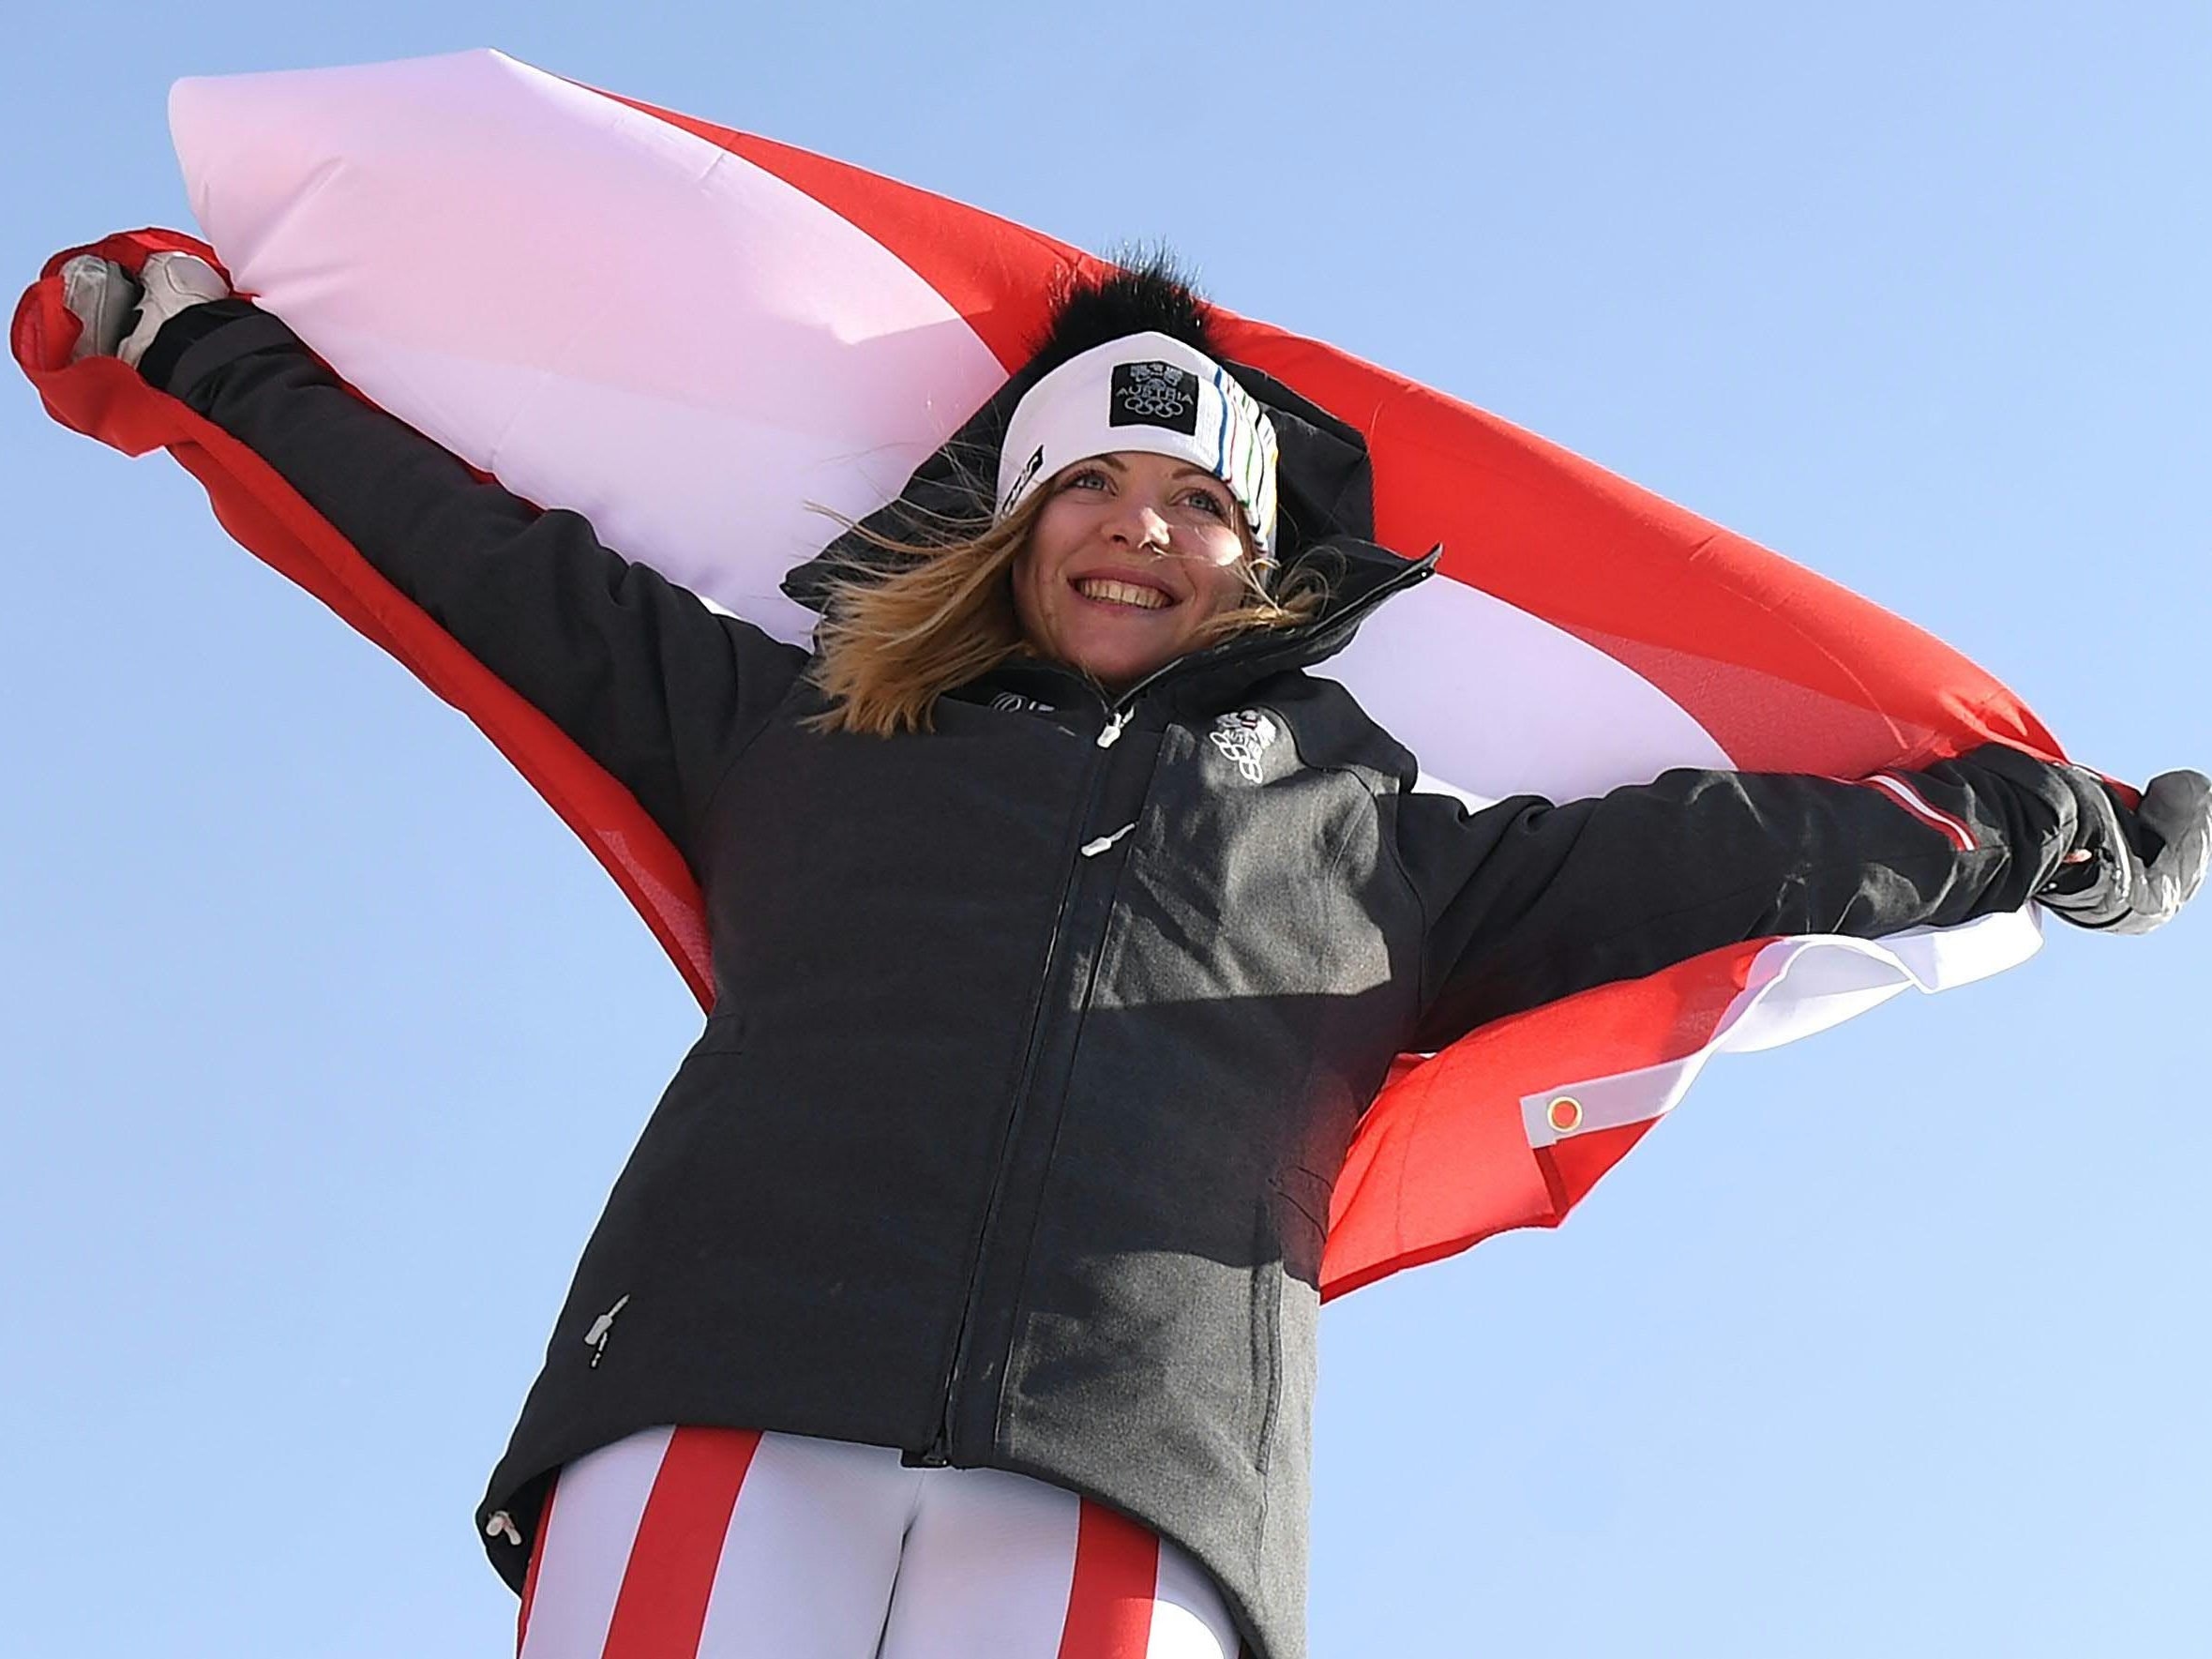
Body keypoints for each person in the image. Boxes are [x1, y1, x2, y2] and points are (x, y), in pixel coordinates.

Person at [60, 249, 2209, 1659]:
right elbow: (471, 557)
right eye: (1087, 485)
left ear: (1254, 570)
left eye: (1194, 506)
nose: (1137, 527)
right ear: (1006, 527)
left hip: (1139, 1467)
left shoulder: (1392, 849)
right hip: (725, 1385)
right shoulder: (791, 727)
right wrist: (200, 351)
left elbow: (1752, 848)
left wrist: (2064, 838)